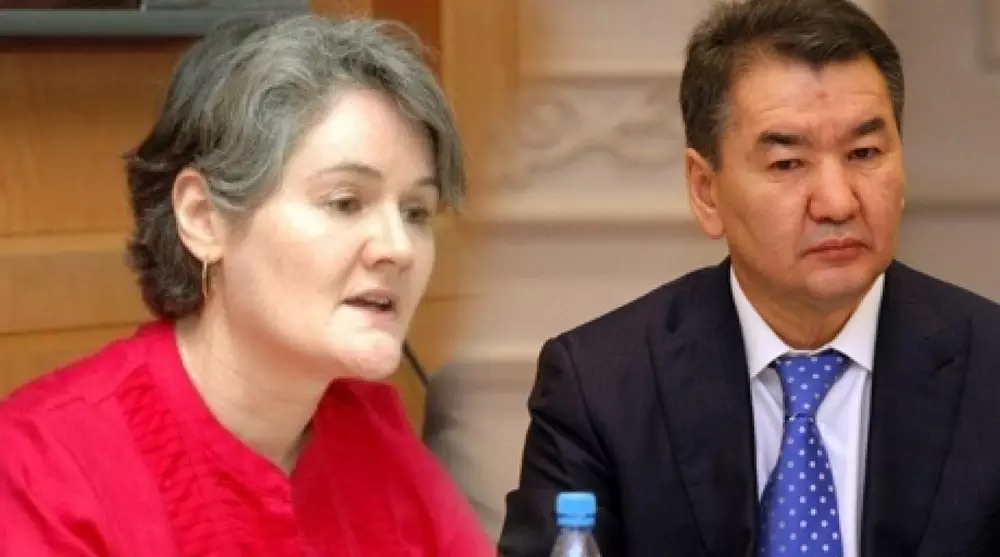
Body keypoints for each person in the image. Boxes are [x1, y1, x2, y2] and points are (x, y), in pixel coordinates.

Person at [498, 0, 1000, 556]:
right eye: (788, 163)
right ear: (705, 190)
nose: (837, 202)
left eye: (864, 153)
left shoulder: (990, 369)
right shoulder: (601, 387)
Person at [0, 14, 493, 556]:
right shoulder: (41, 468)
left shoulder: (373, 430)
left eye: (416, 212)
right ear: (203, 218)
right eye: (345, 203)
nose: (399, 247)